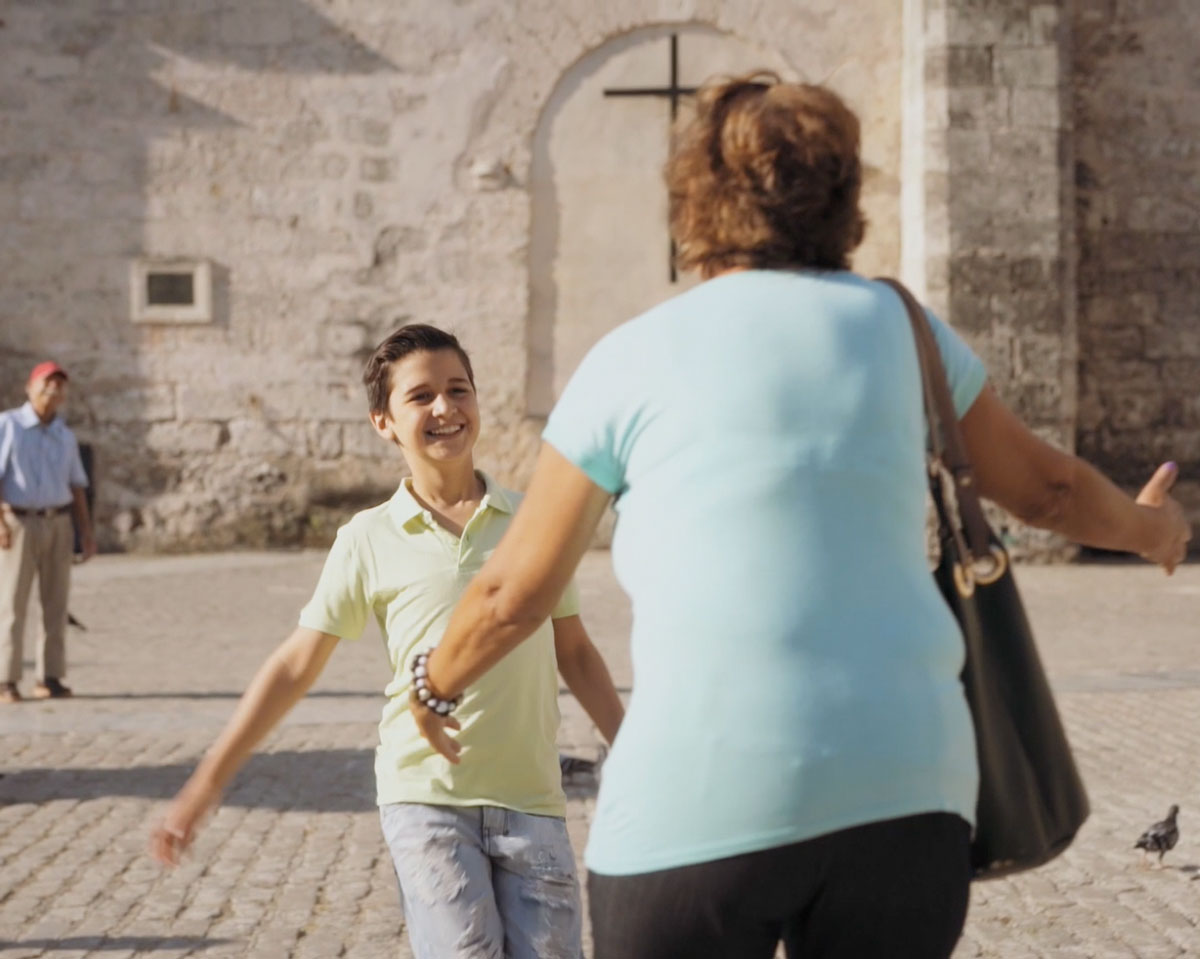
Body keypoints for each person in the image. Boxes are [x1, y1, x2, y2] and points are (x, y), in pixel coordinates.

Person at [407, 73, 1193, 959]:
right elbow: (1049, 489)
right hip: (904, 795)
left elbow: (515, 590)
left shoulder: (630, 359)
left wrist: (432, 682)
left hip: (697, 802)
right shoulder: (906, 329)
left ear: (693, 200)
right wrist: (1153, 529)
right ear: (843, 195)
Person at [150, 324, 624, 959]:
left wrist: (635, 752)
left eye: (459, 390)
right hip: (424, 799)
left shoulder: (532, 521)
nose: (445, 408)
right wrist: (208, 781)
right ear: (384, 422)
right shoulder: (366, 538)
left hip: (532, 795)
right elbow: (295, 665)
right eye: (420, 396)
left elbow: (577, 653)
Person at [0, 361, 96, 704]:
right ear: (30, 387)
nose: (53, 389)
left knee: (55, 602)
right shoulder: (8, 426)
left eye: (59, 383)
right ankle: (5, 679)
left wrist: (85, 532)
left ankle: (51, 676)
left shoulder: (64, 436)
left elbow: (77, 485)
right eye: (47, 382)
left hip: (57, 521)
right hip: (19, 522)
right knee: (12, 602)